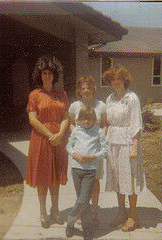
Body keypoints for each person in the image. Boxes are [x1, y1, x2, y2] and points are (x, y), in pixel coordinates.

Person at [26, 55, 69, 229]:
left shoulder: (62, 94)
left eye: (50, 72)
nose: (47, 76)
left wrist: (59, 134)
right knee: (43, 177)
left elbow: (66, 116)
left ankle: (55, 210)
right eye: (44, 72)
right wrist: (50, 135)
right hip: (41, 141)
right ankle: (43, 211)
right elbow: (32, 119)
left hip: (59, 141)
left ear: (54, 75)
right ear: (40, 74)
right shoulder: (35, 95)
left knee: (56, 177)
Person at [103, 64, 146, 232]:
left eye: (119, 78)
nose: (116, 82)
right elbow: (106, 122)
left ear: (124, 80)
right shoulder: (110, 99)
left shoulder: (132, 98)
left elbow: (136, 123)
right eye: (113, 79)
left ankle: (133, 216)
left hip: (128, 143)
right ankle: (121, 213)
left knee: (130, 179)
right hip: (113, 143)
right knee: (117, 179)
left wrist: (134, 147)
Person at [68, 76, 106, 225]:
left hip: (94, 151)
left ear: (94, 89)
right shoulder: (74, 106)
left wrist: (100, 140)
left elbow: (104, 125)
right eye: (83, 88)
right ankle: (82, 211)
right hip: (80, 151)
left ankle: (94, 212)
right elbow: (71, 125)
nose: (86, 90)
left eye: (89, 87)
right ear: (79, 91)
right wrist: (78, 137)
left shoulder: (101, 106)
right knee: (80, 182)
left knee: (95, 180)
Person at [66, 106, 108, 239]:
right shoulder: (77, 131)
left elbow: (104, 150)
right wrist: (75, 155)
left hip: (90, 170)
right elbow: (69, 146)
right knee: (82, 201)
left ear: (94, 120)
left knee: (84, 199)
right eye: (83, 119)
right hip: (77, 168)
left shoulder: (99, 132)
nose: (86, 122)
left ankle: (70, 222)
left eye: (89, 120)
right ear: (79, 120)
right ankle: (87, 229)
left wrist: (93, 157)